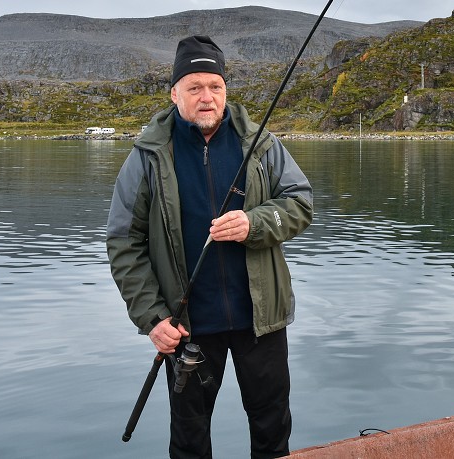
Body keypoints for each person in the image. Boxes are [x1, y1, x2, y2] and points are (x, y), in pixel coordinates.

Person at [106, 34, 314, 458]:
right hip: (188, 327)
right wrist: (152, 319)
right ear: (175, 93)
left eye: (215, 86)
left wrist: (253, 222)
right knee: (189, 441)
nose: (207, 97)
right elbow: (124, 241)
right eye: (195, 87)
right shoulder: (147, 155)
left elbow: (299, 202)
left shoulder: (260, 144)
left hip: (262, 319)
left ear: (225, 90)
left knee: (272, 429)